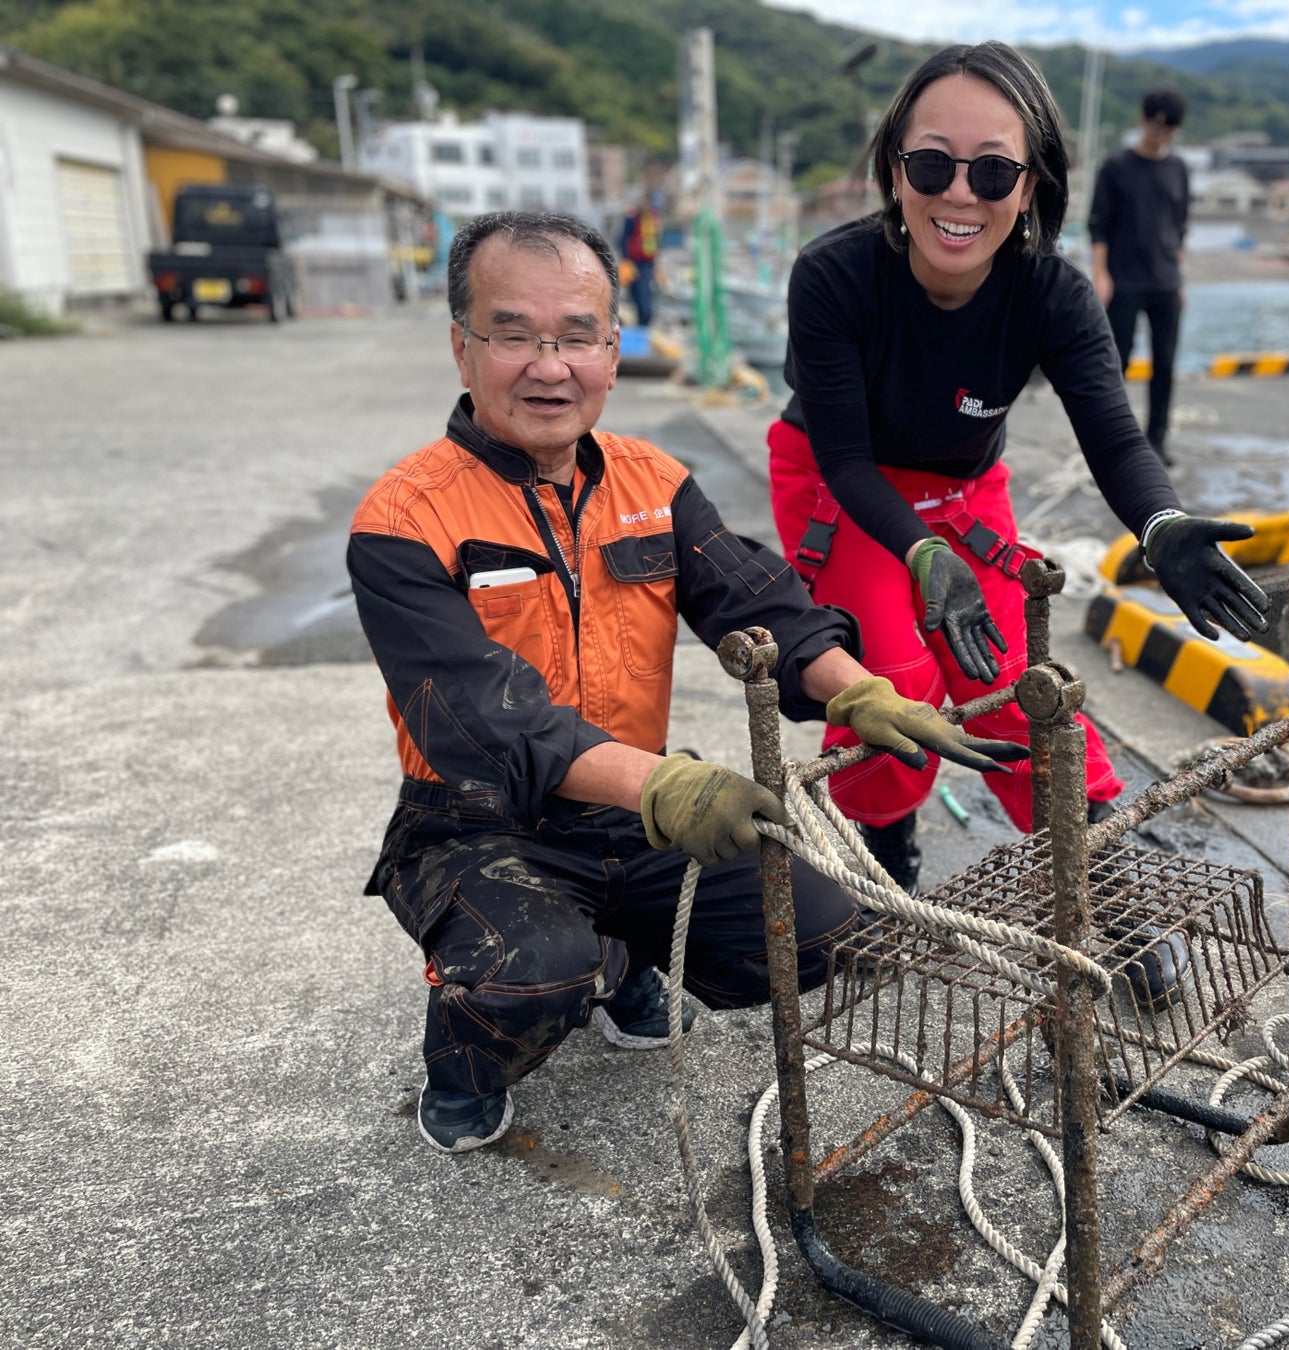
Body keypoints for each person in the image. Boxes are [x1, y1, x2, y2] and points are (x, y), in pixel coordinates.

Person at [348, 210, 1025, 1155]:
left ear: (612, 351)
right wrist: (668, 785)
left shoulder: (653, 483)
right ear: (463, 347)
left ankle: (623, 954)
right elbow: (485, 719)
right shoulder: (403, 520)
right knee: (534, 971)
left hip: (629, 810)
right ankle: (469, 1056)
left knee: (821, 932)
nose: (551, 367)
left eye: (577, 336)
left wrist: (858, 692)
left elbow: (759, 600)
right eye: (514, 335)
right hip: (478, 824)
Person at [774, 43, 1271, 892]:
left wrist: (1161, 524)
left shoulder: (1053, 294)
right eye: (932, 164)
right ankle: (882, 842)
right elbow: (847, 459)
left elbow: (1116, 441)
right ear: (894, 170)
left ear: (1031, 185)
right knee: (897, 673)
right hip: (842, 486)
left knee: (1010, 677)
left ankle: (1090, 855)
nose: (960, 194)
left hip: (964, 490)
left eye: (994, 172)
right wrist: (921, 552)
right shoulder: (833, 275)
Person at [1089, 88, 1191, 465]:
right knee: (1118, 362)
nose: (1161, 134)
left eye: (1169, 129)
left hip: (1166, 280)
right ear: (1142, 120)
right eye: (1156, 126)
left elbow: (1180, 229)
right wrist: (1101, 275)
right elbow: (1098, 226)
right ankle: (1112, 440)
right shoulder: (1116, 166)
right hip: (1124, 279)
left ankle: (1157, 441)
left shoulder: (1179, 169)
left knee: (1165, 363)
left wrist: (1181, 279)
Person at [617, 192, 661, 327]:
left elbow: (655, 242)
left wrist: (656, 265)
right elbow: (624, 239)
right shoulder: (632, 219)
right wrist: (626, 261)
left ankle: (643, 325)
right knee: (636, 296)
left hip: (646, 265)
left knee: (645, 299)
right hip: (633, 263)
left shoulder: (652, 220)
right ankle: (640, 325)